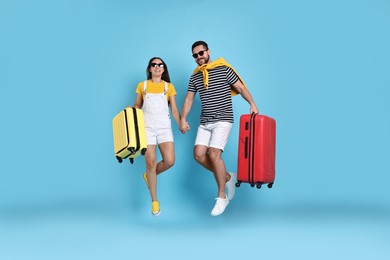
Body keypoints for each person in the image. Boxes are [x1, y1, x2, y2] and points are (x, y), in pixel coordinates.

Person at [179, 41, 259, 216]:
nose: (199, 57)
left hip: (223, 119)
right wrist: (183, 118)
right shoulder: (195, 76)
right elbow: (189, 100)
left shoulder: (223, 68)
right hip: (205, 122)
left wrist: (252, 103)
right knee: (199, 155)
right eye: (195, 55)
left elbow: (240, 87)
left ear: (208, 52)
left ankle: (222, 197)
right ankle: (228, 177)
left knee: (214, 155)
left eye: (201, 53)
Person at [133, 57, 185, 216]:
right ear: (149, 68)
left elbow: (174, 110)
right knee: (150, 162)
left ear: (164, 69)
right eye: (154, 65)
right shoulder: (143, 86)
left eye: (160, 65)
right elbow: (137, 105)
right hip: (146, 127)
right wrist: (133, 108)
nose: (157, 67)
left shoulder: (169, 87)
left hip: (164, 128)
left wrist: (180, 123)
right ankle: (154, 201)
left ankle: (149, 175)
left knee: (170, 160)